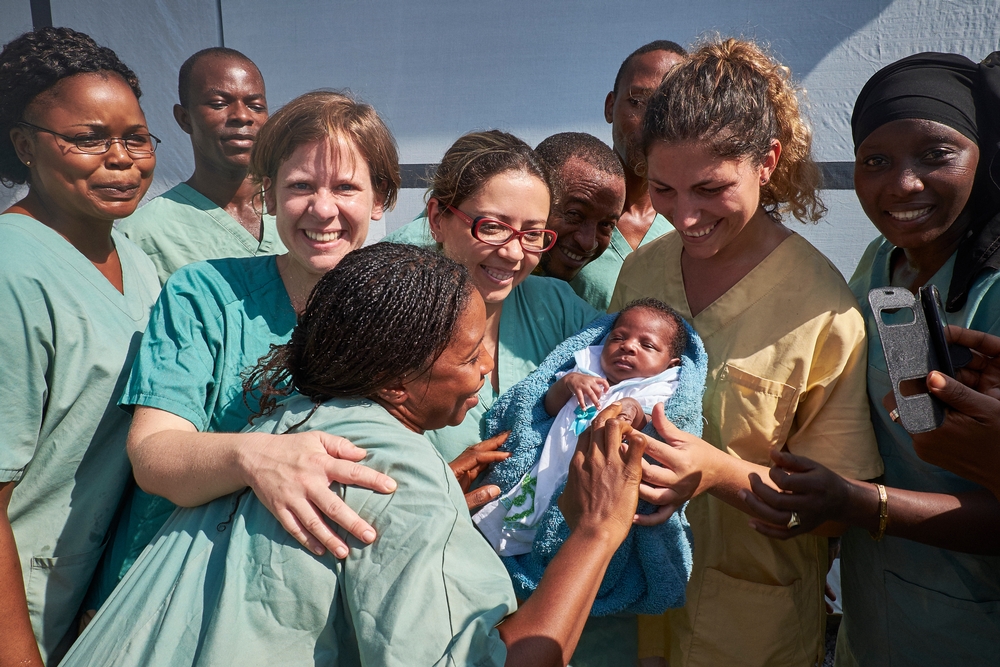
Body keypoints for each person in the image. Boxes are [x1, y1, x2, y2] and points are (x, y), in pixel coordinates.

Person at [61, 243, 648, 667]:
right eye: (471, 357)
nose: (488, 368)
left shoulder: (288, 422)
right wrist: (597, 531)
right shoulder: (398, 471)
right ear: (395, 383)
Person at [609, 38, 884, 667]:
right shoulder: (644, 273)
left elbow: (839, 512)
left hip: (751, 629)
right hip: (634, 609)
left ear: (768, 162)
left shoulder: (824, 311)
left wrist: (720, 474)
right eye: (664, 190)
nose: (685, 215)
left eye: (710, 188)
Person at [740, 51, 1000, 666]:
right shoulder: (883, 264)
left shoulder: (992, 293)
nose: (902, 184)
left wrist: (857, 505)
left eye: (936, 155)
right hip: (875, 613)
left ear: (985, 158)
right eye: (875, 161)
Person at [94, 91, 401, 609]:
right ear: (269, 195)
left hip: (299, 603)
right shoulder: (207, 294)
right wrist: (256, 455)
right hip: (168, 594)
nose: (322, 209)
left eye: (345, 187)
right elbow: (153, 454)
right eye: (300, 186)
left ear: (380, 199)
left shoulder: (393, 314)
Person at [0, 27, 161, 664]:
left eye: (136, 138)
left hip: (87, 604)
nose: (120, 158)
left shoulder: (136, 261)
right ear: (24, 146)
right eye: (88, 139)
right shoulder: (12, 268)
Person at [475, 298, 686, 555]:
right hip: (547, 467)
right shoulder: (587, 367)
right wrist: (568, 384)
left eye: (647, 345)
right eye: (617, 338)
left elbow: (658, 431)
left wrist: (634, 412)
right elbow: (549, 409)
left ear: (671, 364)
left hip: (596, 487)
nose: (628, 346)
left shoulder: (661, 389)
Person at [117, 47, 284, 285]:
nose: (242, 116)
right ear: (184, 118)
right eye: (219, 103)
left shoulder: (302, 211)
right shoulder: (144, 235)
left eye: (256, 106)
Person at [568, 41, 686, 311]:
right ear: (610, 106)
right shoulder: (562, 209)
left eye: (671, 107)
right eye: (637, 102)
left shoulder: (696, 223)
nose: (652, 123)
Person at [532, 132, 626, 309]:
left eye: (606, 225)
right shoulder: (484, 284)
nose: (587, 243)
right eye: (574, 214)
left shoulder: (587, 318)